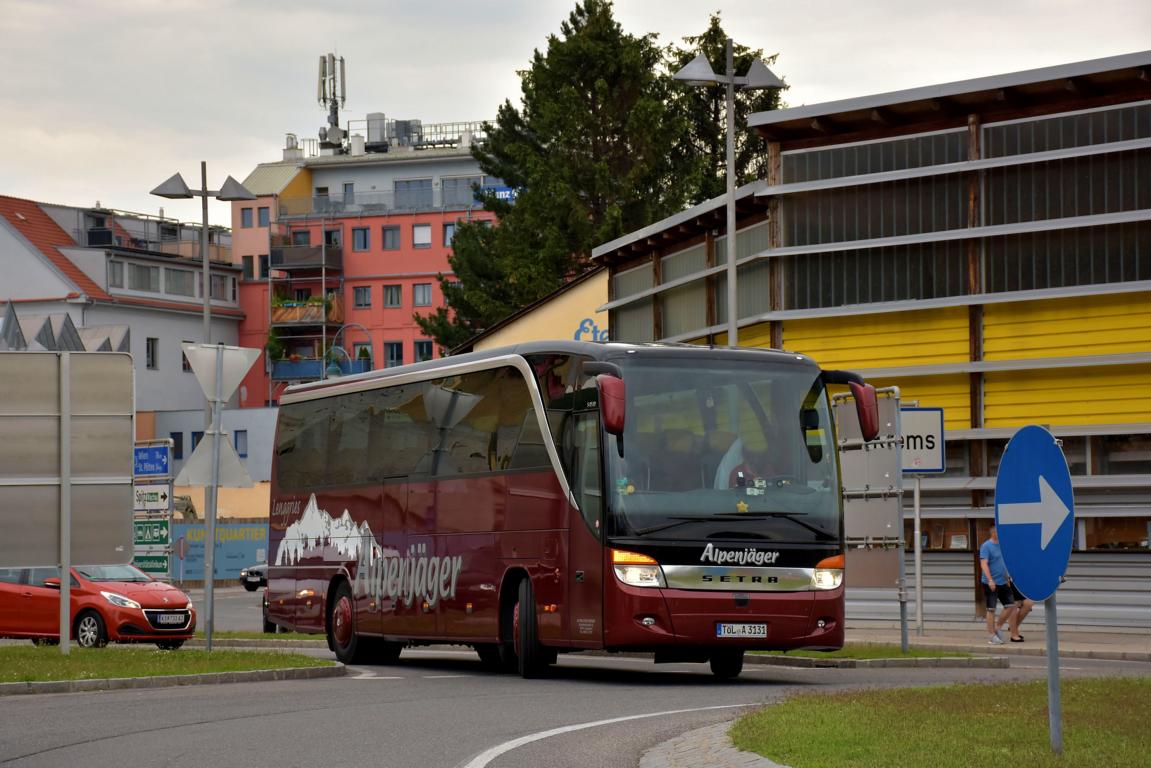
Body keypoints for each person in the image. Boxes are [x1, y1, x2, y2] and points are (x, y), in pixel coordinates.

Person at [979, 524, 1017, 645]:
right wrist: (990, 580)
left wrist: (1007, 577)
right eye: (999, 532)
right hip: (990, 582)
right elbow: (984, 564)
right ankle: (991, 636)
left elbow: (1003, 563)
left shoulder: (1002, 545)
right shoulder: (986, 546)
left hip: (1003, 581)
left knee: (1010, 605)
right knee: (991, 609)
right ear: (993, 533)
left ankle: (997, 627)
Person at [996, 578, 1034, 642]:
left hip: (1021, 580)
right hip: (1008, 580)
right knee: (1013, 604)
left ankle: (1013, 627)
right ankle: (1014, 634)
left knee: (1029, 603)